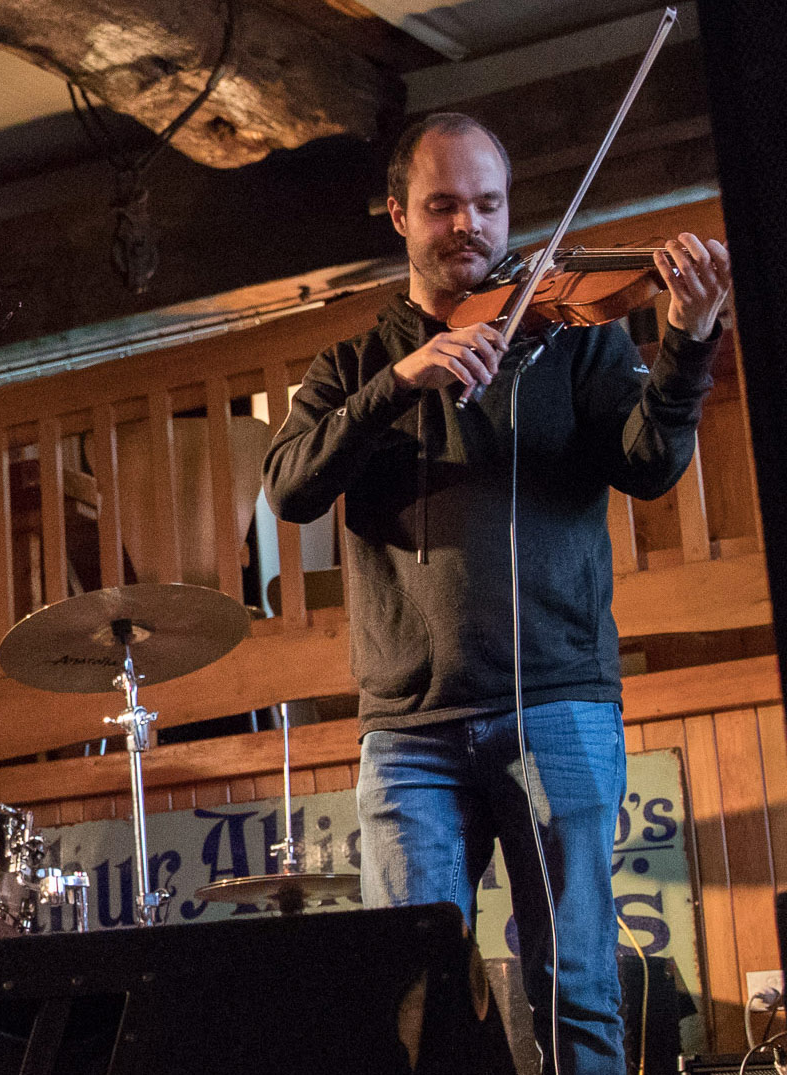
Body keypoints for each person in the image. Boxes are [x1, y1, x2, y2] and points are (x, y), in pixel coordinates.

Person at [263, 112, 730, 1074]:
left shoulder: (576, 340)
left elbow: (647, 466)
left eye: (488, 203)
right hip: (410, 729)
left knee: (580, 988)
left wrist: (686, 343)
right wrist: (400, 381)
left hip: (557, 698)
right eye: (443, 205)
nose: (470, 225)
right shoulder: (355, 366)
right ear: (398, 214)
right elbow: (291, 483)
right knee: (415, 1002)